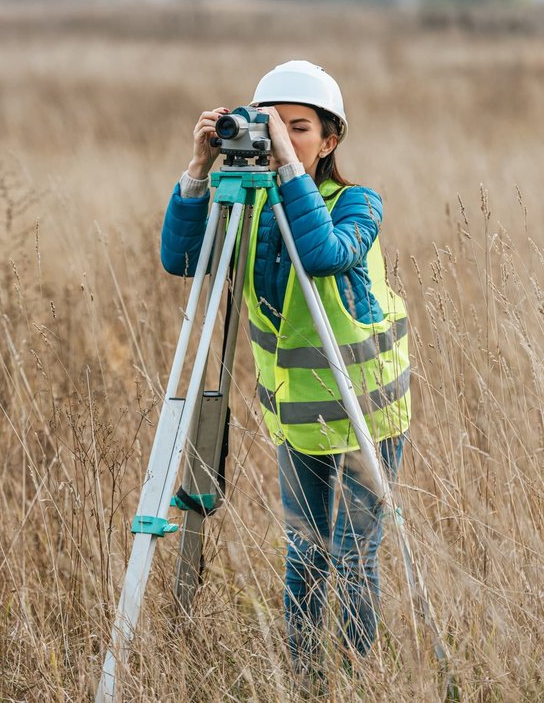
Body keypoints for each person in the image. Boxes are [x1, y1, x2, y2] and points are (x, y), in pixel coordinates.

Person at [160, 61, 410, 683]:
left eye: (298, 127)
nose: (280, 138)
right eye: (269, 125)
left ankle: (354, 680)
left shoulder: (359, 203)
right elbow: (182, 259)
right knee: (305, 552)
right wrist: (198, 169)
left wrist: (289, 172)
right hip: (297, 414)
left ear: (330, 141)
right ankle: (303, 679)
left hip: (367, 412)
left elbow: (325, 253)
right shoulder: (247, 207)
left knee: (354, 555)